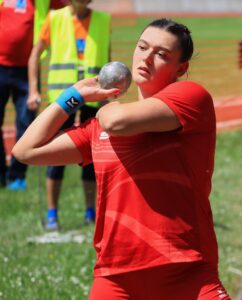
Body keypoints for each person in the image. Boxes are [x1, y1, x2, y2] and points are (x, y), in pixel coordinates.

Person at [12, 18, 231, 299]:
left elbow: (117, 122)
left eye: (162, 54)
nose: (147, 58)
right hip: (115, 278)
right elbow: (25, 151)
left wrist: (103, 106)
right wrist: (73, 95)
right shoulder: (98, 129)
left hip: (187, 271)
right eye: (142, 47)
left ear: (182, 68)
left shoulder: (191, 97)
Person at [27, 0, 111, 229]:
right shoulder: (54, 19)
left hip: (93, 99)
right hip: (63, 98)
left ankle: (90, 212)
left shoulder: (103, 20)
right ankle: (52, 214)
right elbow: (35, 54)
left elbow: (106, 59)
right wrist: (33, 89)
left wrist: (106, 94)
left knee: (92, 157)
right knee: (54, 156)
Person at [0, 0, 68, 189]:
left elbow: (71, 8)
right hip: (0, 67)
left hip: (27, 71)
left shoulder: (44, 1)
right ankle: (0, 175)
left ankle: (17, 176)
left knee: (25, 123)